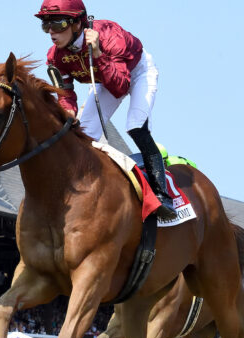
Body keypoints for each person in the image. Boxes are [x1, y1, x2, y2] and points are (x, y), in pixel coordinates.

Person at [35, 0, 176, 219]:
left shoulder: (110, 35)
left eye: (58, 24)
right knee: (83, 134)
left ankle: (162, 195)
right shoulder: (55, 56)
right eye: (46, 25)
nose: (51, 32)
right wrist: (68, 112)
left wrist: (98, 53)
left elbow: (120, 87)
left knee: (135, 126)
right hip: (105, 77)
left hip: (137, 73)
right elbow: (66, 94)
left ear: (77, 24)